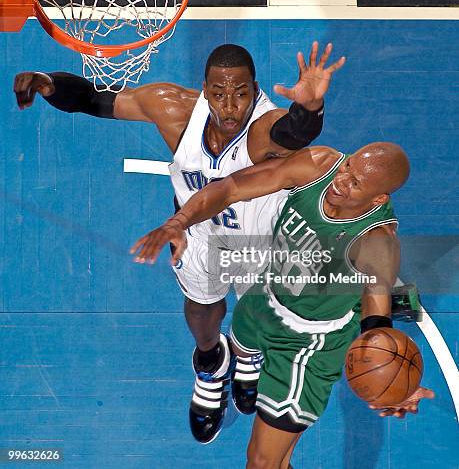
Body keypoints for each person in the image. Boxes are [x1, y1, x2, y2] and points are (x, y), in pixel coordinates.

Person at [14, 40, 346, 443]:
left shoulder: (263, 129)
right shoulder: (172, 107)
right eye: (219, 94)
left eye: (240, 95)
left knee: (257, 317)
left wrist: (310, 108)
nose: (229, 107)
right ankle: (211, 363)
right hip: (198, 232)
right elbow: (92, 99)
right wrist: (48, 83)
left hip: (260, 239)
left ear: (254, 90)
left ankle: (246, 357)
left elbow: (293, 132)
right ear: (204, 89)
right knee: (201, 310)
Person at [131, 142, 434, 467]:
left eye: (355, 183)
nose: (341, 179)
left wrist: (393, 380)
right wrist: (179, 222)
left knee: (262, 462)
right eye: (348, 167)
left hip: (307, 346)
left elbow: (375, 325)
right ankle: (245, 367)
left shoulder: (377, 243)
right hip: (267, 296)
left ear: (378, 200)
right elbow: (232, 187)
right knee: (242, 344)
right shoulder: (320, 165)